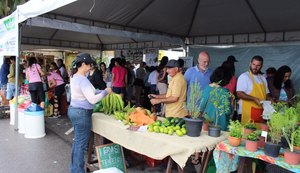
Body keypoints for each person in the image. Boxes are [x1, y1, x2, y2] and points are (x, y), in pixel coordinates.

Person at [68, 53, 111, 173]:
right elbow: (92, 99)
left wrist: (101, 91)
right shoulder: (82, 80)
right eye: (89, 64)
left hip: (74, 111)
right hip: (82, 114)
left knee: (77, 142)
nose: (91, 66)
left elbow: (91, 91)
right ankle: (77, 170)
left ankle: (74, 169)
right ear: (82, 64)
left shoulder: (75, 77)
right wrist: (105, 92)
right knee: (81, 145)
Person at [236, 55, 271, 125]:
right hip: (248, 112)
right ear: (250, 64)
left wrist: (270, 99)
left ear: (261, 66)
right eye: (254, 64)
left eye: (258, 65)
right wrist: (254, 98)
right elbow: (239, 93)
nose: (255, 67)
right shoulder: (245, 76)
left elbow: (267, 94)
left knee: (260, 132)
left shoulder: (263, 78)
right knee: (248, 132)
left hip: (261, 112)